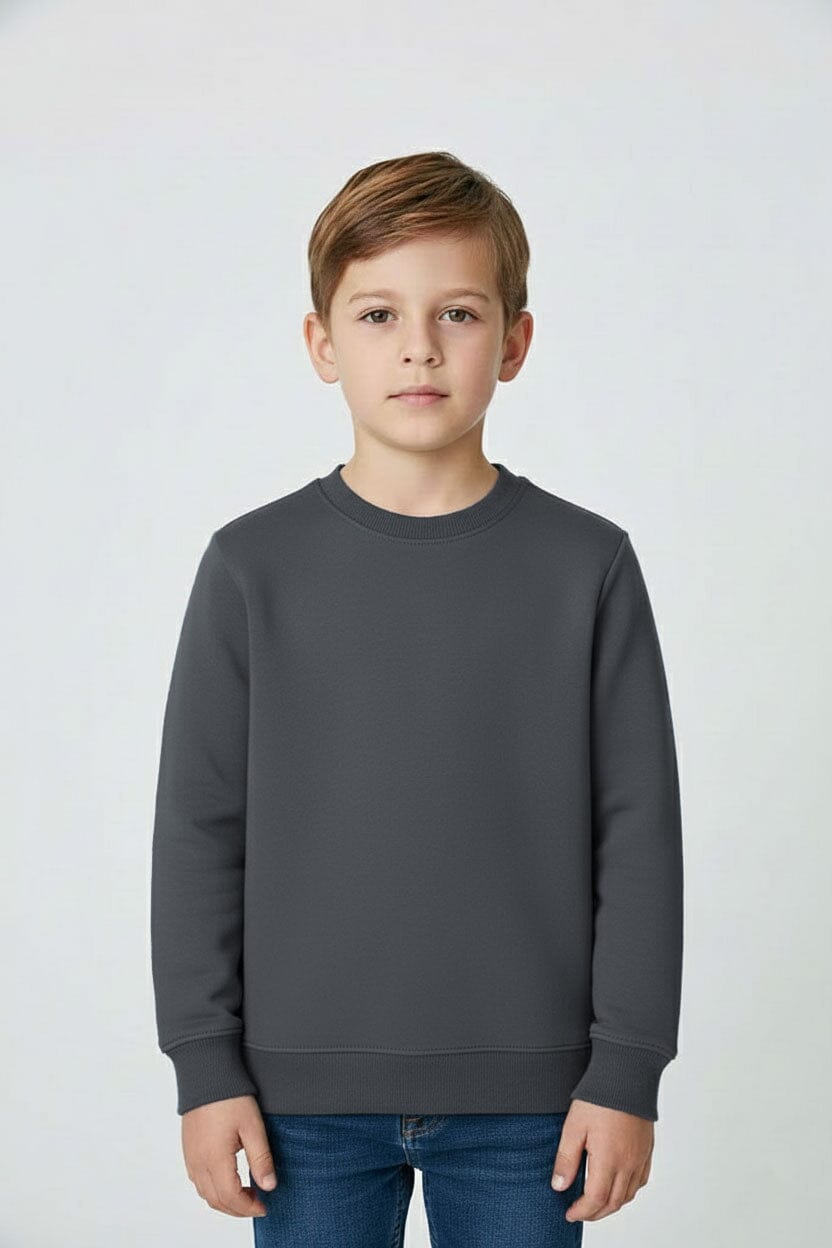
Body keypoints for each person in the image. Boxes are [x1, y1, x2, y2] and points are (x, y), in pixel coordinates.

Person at [150, 150, 684, 1246]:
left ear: (515, 342)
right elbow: (200, 828)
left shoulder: (586, 565)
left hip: (538, 1106)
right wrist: (204, 1066)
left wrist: (627, 1069)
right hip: (296, 1105)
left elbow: (637, 831)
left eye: (458, 313)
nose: (419, 347)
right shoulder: (251, 567)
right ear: (321, 344)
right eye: (379, 313)